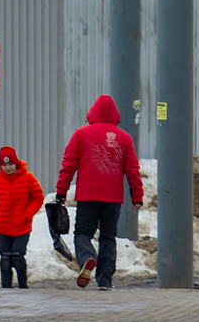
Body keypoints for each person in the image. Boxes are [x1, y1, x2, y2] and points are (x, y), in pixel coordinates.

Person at [56, 95, 143, 291]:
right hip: (112, 199)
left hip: (87, 196)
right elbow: (132, 170)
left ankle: (87, 258)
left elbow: (68, 165)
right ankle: (104, 280)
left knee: (82, 233)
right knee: (107, 237)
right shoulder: (124, 138)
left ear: (92, 112)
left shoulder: (80, 134)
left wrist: (61, 191)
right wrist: (137, 196)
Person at [0, 146, 44, 289]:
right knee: (5, 260)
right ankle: (6, 290)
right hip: (3, 228)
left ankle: (23, 287)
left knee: (17, 258)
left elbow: (38, 198)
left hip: (22, 227)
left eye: (10, 164)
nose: (8, 168)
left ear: (16, 163)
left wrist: (26, 215)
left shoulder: (28, 178)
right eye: (4, 165)